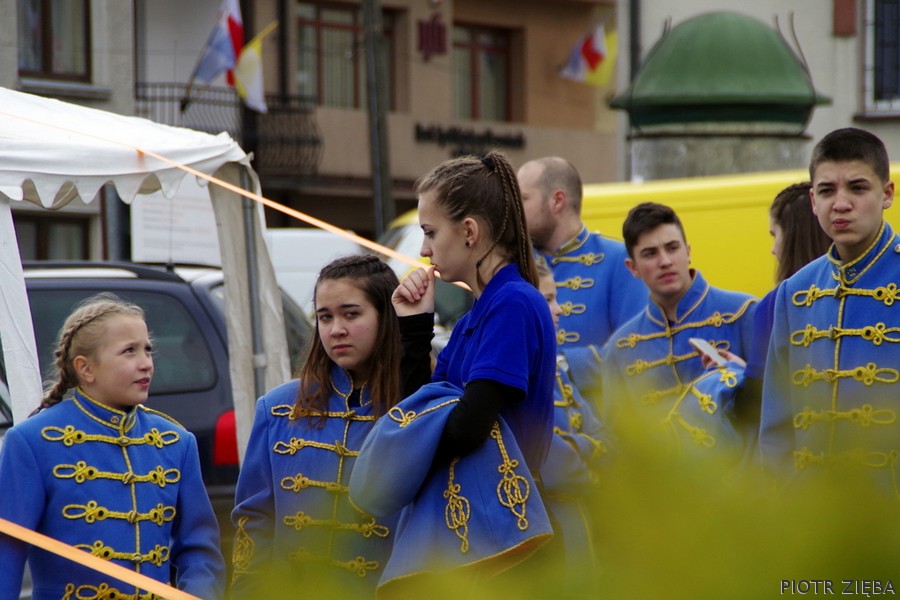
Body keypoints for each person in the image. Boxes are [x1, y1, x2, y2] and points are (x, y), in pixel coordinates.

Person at [0, 293, 225, 599]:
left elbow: (200, 551)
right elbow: (7, 553)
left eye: (148, 350)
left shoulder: (176, 442)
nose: (145, 364)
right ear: (86, 368)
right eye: (129, 351)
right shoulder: (32, 441)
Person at [230, 255, 402, 599]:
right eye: (325, 317)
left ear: (386, 316)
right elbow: (253, 521)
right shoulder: (276, 409)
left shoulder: (415, 409)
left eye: (351, 314)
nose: (336, 329)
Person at [392, 150, 557, 477]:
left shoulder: (512, 302)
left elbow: (465, 431)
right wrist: (415, 327)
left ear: (469, 231)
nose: (424, 250)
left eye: (430, 232)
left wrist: (407, 444)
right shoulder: (475, 316)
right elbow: (414, 412)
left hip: (498, 504)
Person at [760, 128, 900, 498]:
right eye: (827, 191)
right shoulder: (795, 292)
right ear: (812, 200)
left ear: (887, 194)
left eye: (857, 188)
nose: (840, 204)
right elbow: (777, 426)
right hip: (815, 513)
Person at [598, 202, 757, 456]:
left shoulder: (744, 313)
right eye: (650, 253)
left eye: (672, 248)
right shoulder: (619, 348)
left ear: (688, 251)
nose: (665, 261)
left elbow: (776, 407)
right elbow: (619, 442)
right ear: (632, 268)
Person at [517, 157, 648, 394]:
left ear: (557, 201)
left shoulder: (618, 260)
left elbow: (637, 348)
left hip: (595, 414)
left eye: (523, 199)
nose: (515, 211)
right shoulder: (513, 263)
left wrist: (566, 365)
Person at [533, 255, 610, 595]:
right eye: (548, 300)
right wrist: (590, 457)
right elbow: (555, 467)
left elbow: (608, 442)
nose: (559, 309)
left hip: (577, 523)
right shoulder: (520, 374)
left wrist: (576, 446)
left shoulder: (555, 368)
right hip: (547, 532)